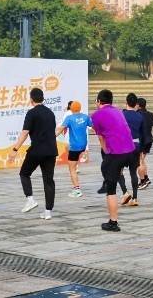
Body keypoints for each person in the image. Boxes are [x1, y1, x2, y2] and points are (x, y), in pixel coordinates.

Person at [9, 88, 58, 220]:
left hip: (36, 150)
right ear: (42, 98)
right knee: (48, 181)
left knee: (24, 173)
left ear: (31, 99)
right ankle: (48, 212)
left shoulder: (31, 113)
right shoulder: (50, 113)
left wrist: (15, 149)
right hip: (51, 151)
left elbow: (25, 133)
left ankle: (30, 199)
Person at [91, 89, 136, 232]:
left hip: (116, 153)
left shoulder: (96, 115)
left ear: (98, 101)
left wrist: (106, 151)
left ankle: (113, 222)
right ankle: (111, 181)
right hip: (131, 151)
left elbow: (101, 138)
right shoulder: (118, 111)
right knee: (108, 168)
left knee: (111, 191)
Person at [55, 101, 91, 198]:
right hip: (83, 145)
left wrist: (52, 137)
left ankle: (77, 190)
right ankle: (81, 159)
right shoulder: (85, 117)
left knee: (72, 169)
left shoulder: (69, 118)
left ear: (71, 108)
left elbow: (60, 129)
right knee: (75, 165)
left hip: (74, 147)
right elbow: (94, 126)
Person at [119, 93, 144, 206]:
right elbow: (142, 134)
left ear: (126, 102)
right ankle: (135, 198)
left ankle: (125, 192)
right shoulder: (140, 116)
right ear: (136, 104)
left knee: (118, 171)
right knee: (133, 172)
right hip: (136, 145)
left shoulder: (121, 115)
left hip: (123, 145)